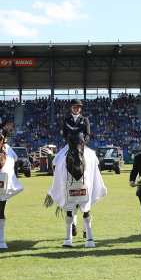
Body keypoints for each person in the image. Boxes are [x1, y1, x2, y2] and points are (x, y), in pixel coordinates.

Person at [61, 99, 91, 236]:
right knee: (58, 161)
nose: (76, 109)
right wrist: (70, 142)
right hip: (70, 146)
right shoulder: (66, 119)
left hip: (82, 146)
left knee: (94, 160)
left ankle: (94, 180)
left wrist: (83, 143)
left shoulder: (85, 119)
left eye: (78, 107)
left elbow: (88, 134)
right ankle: (57, 183)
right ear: (71, 108)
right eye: (74, 107)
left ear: (80, 109)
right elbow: (64, 133)